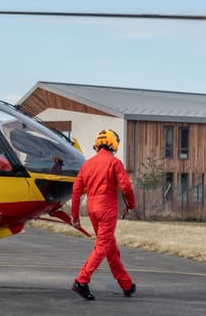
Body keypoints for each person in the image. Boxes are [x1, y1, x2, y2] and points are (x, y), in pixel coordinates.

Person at [70, 129, 137, 301]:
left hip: (92, 208)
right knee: (102, 246)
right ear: (113, 143)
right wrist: (131, 205)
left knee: (110, 248)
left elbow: (76, 191)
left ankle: (126, 284)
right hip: (107, 208)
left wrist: (75, 216)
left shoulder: (87, 164)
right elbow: (126, 187)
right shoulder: (114, 163)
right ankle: (81, 281)